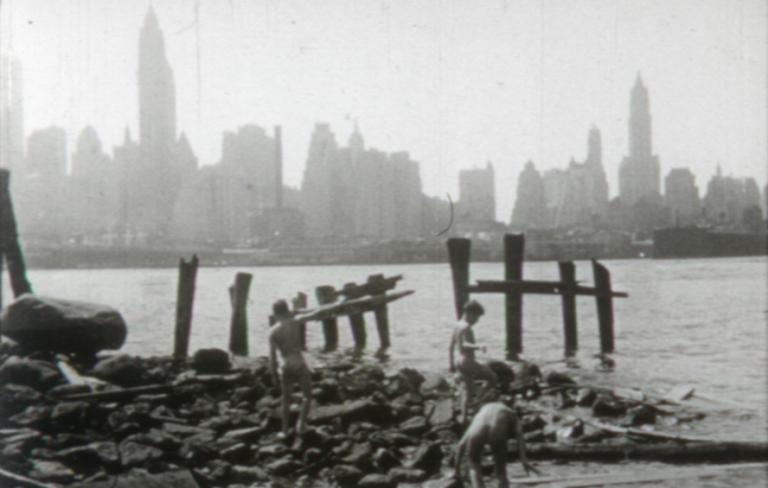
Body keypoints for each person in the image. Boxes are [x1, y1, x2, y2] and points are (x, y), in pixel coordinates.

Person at [454, 402, 539, 488]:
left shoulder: (480, 414)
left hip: (477, 430)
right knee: (501, 470)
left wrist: (456, 471)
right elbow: (520, 436)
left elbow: (460, 445)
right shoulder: (512, 413)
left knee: (474, 464)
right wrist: (524, 460)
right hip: (498, 427)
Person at [449, 300, 499, 425]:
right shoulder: (466, 327)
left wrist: (450, 364)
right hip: (468, 361)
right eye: (477, 317)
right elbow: (464, 345)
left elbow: (450, 347)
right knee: (493, 378)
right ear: (469, 313)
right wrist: (478, 346)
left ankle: (464, 418)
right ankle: (478, 401)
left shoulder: (457, 325)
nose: (477, 320)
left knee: (467, 390)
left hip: (459, 361)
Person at [269, 299, 313, 439]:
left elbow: (273, 357)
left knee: (286, 400)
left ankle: (284, 431)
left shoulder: (272, 331)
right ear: (287, 311)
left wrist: (273, 373)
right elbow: (314, 314)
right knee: (307, 395)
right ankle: (301, 424)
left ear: (275, 314)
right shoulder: (295, 322)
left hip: (285, 364)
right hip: (298, 361)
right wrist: (296, 311)